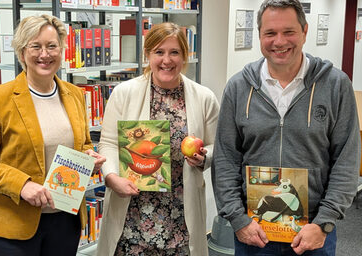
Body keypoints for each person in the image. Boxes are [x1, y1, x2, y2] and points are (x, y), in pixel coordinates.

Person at [211, 0, 360, 255]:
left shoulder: (336, 85)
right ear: (260, 35)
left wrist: (324, 223)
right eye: (270, 33)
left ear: (304, 31)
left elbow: (346, 161)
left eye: (289, 32)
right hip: (254, 232)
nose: (279, 41)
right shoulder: (238, 88)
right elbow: (225, 159)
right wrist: (238, 219)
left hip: (312, 233)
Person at [0, 14, 105, 256]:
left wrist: (89, 156)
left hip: (65, 220)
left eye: (51, 46)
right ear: (22, 52)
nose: (44, 54)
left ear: (61, 50)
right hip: (13, 225)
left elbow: (84, 143)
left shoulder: (75, 95)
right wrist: (22, 185)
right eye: (35, 46)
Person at [96, 22, 219, 256]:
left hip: (181, 217)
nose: (167, 60)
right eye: (159, 52)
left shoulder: (204, 98)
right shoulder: (124, 93)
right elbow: (109, 143)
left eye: (175, 52)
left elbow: (217, 146)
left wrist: (204, 157)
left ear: (185, 56)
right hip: (132, 216)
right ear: (148, 55)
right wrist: (112, 177)